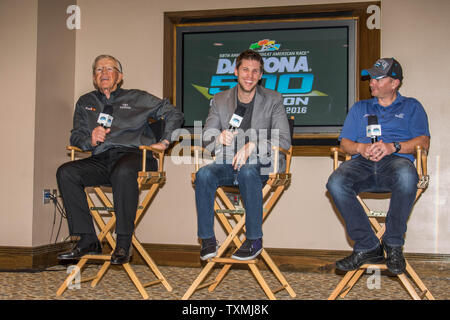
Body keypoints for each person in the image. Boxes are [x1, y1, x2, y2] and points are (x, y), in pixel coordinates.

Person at [56, 54, 183, 264]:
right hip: (102, 157)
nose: (103, 73)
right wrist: (90, 139)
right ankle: (88, 239)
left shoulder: (137, 98)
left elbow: (174, 113)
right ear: (94, 77)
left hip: (136, 156)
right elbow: (75, 136)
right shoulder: (86, 102)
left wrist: (165, 142)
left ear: (120, 76)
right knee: (66, 172)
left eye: (109, 69)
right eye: (98, 70)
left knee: (123, 171)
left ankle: (124, 243)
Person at [326, 58, 430, 274]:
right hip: (362, 164)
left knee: (406, 174)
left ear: (395, 83)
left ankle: (393, 245)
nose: (371, 82)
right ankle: (368, 245)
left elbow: (423, 142)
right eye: (371, 78)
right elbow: (345, 143)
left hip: (396, 163)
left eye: (377, 78)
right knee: (335, 182)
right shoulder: (360, 108)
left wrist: (393, 146)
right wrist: (360, 148)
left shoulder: (412, 106)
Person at [195, 49, 291, 261]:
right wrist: (218, 138)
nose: (250, 75)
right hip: (228, 162)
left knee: (248, 171)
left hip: (264, 163)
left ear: (261, 75)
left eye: (255, 71)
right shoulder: (220, 99)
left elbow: (284, 140)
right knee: (203, 174)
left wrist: (253, 146)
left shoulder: (274, 98)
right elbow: (207, 138)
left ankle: (254, 239)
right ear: (236, 72)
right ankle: (207, 239)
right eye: (245, 70)